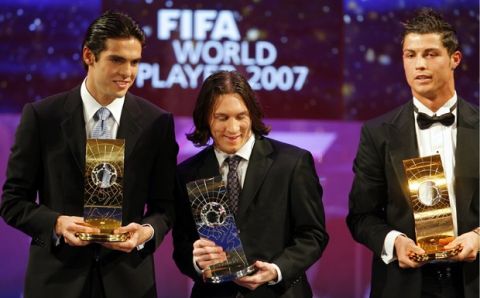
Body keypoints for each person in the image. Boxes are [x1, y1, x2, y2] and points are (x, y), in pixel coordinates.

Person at [0, 11, 178, 298]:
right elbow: (13, 202)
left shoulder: (156, 123)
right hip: (57, 282)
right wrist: (57, 223)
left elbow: (165, 207)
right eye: (117, 60)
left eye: (135, 62)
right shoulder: (42, 117)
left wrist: (145, 232)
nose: (128, 73)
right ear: (89, 56)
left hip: (129, 284)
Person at [347, 8, 479, 298]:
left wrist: (478, 238)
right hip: (404, 284)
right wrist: (394, 242)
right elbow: (361, 216)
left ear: (455, 59)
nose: (420, 64)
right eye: (411, 55)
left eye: (431, 54)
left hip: (473, 281)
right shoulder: (377, 133)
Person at [172, 70, 328, 297]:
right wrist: (197, 262)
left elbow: (313, 235)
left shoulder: (292, 163)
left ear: (252, 115)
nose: (233, 128)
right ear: (206, 117)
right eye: (222, 117)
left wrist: (276, 270)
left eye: (241, 116)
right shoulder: (187, 173)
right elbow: (182, 244)